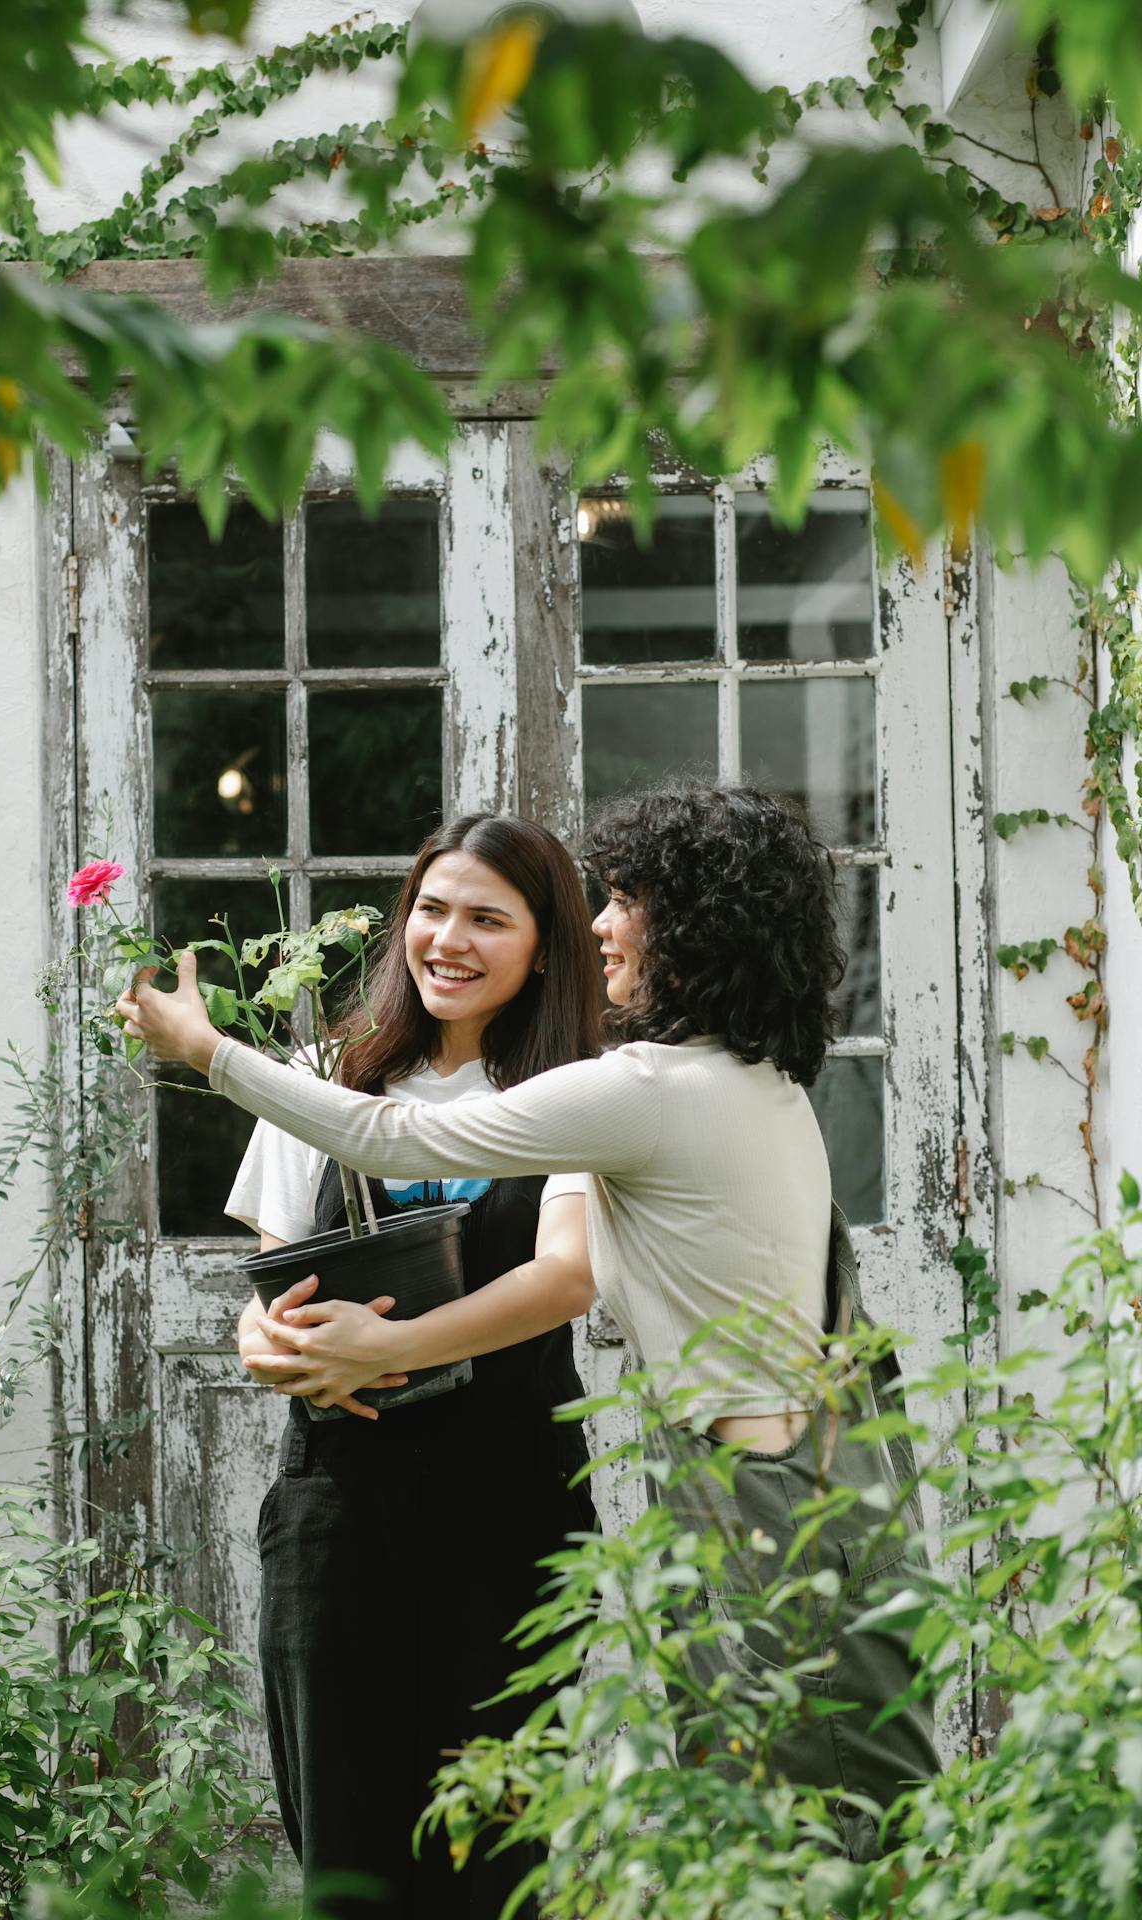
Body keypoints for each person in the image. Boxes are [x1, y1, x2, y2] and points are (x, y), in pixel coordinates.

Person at [119, 779, 940, 1862]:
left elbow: (400, 1148)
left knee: (810, 1833)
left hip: (759, 1499)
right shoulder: (751, 1080)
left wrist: (207, 1050)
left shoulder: (645, 1090)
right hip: (822, 1476)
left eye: (626, 900)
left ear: (690, 925)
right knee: (816, 1818)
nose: (600, 922)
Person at [207, 814, 602, 1920]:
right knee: (343, 1854)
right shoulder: (321, 1076)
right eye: (432, 910)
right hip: (339, 1515)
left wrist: (389, 1346)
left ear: (542, 945)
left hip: (508, 1513)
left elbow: (565, 1277)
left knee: (500, 1858)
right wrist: (268, 1346)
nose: (448, 940)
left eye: (487, 918)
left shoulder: (576, 1090)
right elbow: (270, 1286)